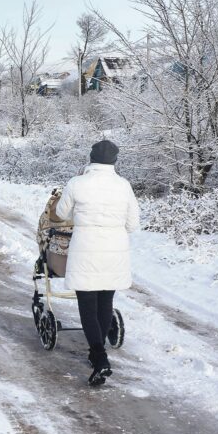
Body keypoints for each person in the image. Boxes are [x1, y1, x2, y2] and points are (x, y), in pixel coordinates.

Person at [56, 140, 140, 386]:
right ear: (114, 160)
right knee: (105, 303)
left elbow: (61, 213)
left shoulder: (77, 183)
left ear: (91, 158)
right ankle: (97, 354)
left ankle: (100, 357)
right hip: (114, 251)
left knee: (87, 305)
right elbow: (133, 224)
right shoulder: (123, 186)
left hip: (86, 249)